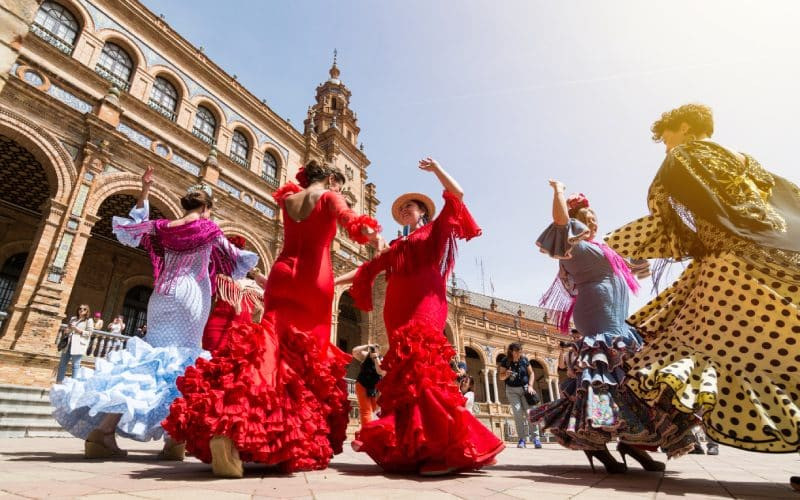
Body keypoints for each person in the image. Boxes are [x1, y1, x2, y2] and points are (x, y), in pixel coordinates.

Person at [605, 103, 799, 460]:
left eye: (665, 138)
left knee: (688, 352)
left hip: (730, 272)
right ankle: (646, 436)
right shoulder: (748, 162)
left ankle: (643, 433)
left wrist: (617, 249)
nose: (665, 147)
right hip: (782, 263)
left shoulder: (684, 157)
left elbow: (665, 221)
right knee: (780, 353)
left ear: (683, 127)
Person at [163, 162, 382, 477]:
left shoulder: (289, 199)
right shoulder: (332, 197)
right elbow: (353, 224)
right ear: (332, 180)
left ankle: (228, 427)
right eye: (339, 186)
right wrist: (369, 232)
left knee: (266, 348)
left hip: (281, 273)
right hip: (313, 280)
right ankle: (285, 437)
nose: (340, 191)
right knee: (307, 361)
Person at [50, 166, 258, 460]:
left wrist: (145, 189)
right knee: (183, 363)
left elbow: (134, 228)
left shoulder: (162, 229)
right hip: (190, 296)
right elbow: (233, 257)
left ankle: (104, 432)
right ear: (207, 208)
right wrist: (261, 279)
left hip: (160, 296)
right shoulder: (208, 228)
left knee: (149, 360)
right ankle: (174, 440)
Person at [337, 157, 504, 475]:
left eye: (409, 208)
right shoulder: (397, 244)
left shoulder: (435, 231)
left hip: (426, 304)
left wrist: (438, 169)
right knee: (407, 377)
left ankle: (444, 448)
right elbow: (367, 270)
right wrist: (331, 281)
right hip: (396, 311)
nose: (404, 212)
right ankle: (420, 445)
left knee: (423, 366)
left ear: (422, 212)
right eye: (401, 210)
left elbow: (458, 195)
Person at [529, 184, 697, 474]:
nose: (594, 221)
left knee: (633, 380)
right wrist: (558, 190)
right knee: (602, 381)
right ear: (577, 221)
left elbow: (636, 267)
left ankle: (633, 442)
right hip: (597, 317)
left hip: (619, 321)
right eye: (587, 217)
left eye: (595, 217)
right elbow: (559, 221)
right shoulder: (573, 244)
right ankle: (597, 443)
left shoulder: (604, 248)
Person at [201, 235, 264, 352]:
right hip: (216, 331)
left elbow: (271, 287)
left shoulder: (253, 286)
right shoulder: (219, 277)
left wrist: (254, 272)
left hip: (243, 338)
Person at [499, 342, 541, 449]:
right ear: (511, 351)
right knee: (517, 413)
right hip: (512, 390)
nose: (519, 353)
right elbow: (501, 377)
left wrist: (531, 386)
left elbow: (531, 373)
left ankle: (536, 438)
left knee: (529, 412)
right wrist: (506, 374)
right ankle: (521, 439)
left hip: (525, 389)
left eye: (520, 351)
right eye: (517, 351)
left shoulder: (524, 360)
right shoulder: (505, 361)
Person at [55, 304, 93, 383]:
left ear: (87, 311)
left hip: (78, 344)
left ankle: (73, 384)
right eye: (80, 308)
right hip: (68, 343)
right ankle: (58, 382)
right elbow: (68, 330)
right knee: (62, 364)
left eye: (84, 309)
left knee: (75, 365)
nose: (81, 310)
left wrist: (76, 329)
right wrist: (67, 330)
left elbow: (89, 333)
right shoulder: (73, 319)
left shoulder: (89, 320)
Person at [352, 343, 386, 426]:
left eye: (376, 349)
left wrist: (375, 357)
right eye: (373, 349)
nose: (374, 350)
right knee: (366, 410)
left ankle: (372, 430)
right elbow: (354, 351)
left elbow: (380, 371)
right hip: (362, 384)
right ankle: (366, 432)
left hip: (374, 388)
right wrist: (367, 346)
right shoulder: (366, 356)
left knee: (374, 411)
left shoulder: (381, 359)